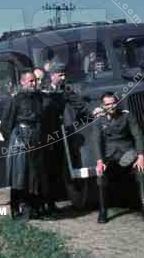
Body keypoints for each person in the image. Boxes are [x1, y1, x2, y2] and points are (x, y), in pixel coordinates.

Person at [92, 92, 144, 223]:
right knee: (101, 174)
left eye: (113, 103)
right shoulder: (99, 119)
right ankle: (103, 211)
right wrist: (99, 161)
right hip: (109, 155)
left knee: (141, 170)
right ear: (103, 106)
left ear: (117, 103)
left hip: (128, 153)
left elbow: (137, 135)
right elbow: (96, 141)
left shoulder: (127, 115)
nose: (111, 106)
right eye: (108, 104)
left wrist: (141, 156)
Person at [39, 62, 89, 218]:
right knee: (44, 171)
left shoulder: (65, 89)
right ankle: (43, 205)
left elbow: (79, 104)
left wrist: (93, 111)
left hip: (59, 135)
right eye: (60, 75)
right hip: (44, 135)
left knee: (55, 169)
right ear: (52, 75)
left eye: (64, 74)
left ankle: (52, 204)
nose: (63, 77)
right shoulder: (42, 90)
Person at [0, 70, 45, 220]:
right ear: (22, 82)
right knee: (18, 175)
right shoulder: (15, 100)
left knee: (34, 175)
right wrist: (14, 139)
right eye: (31, 81)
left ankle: (32, 210)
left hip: (35, 137)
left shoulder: (38, 98)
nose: (34, 83)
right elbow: (6, 124)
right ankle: (15, 210)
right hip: (19, 138)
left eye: (35, 81)